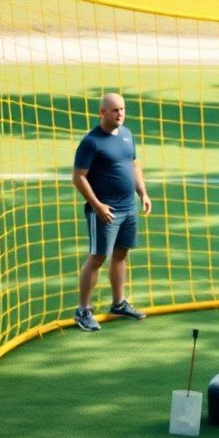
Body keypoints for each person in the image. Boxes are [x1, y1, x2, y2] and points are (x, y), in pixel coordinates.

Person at [72, 93, 153, 331]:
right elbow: (78, 177)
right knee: (97, 257)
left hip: (129, 207)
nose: (120, 114)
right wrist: (97, 205)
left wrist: (143, 193)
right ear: (102, 113)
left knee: (121, 253)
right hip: (105, 211)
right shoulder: (91, 142)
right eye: (115, 110)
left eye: (123, 109)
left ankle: (118, 303)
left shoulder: (127, 135)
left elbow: (133, 164)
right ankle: (83, 310)